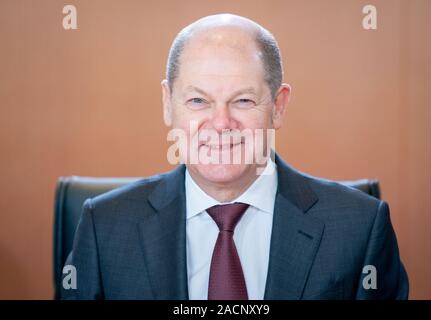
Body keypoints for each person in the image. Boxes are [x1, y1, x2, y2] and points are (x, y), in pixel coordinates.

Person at [61, 13, 408, 300]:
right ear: (168, 104)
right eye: (198, 100)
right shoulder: (103, 227)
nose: (222, 123)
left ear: (278, 106)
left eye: (243, 100)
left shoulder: (359, 228)